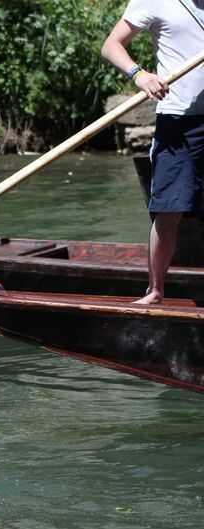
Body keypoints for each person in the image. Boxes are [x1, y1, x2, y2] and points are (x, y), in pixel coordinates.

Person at [101, 2, 204, 305]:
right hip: (179, 123)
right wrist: (139, 75)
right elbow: (111, 45)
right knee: (169, 210)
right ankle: (156, 290)